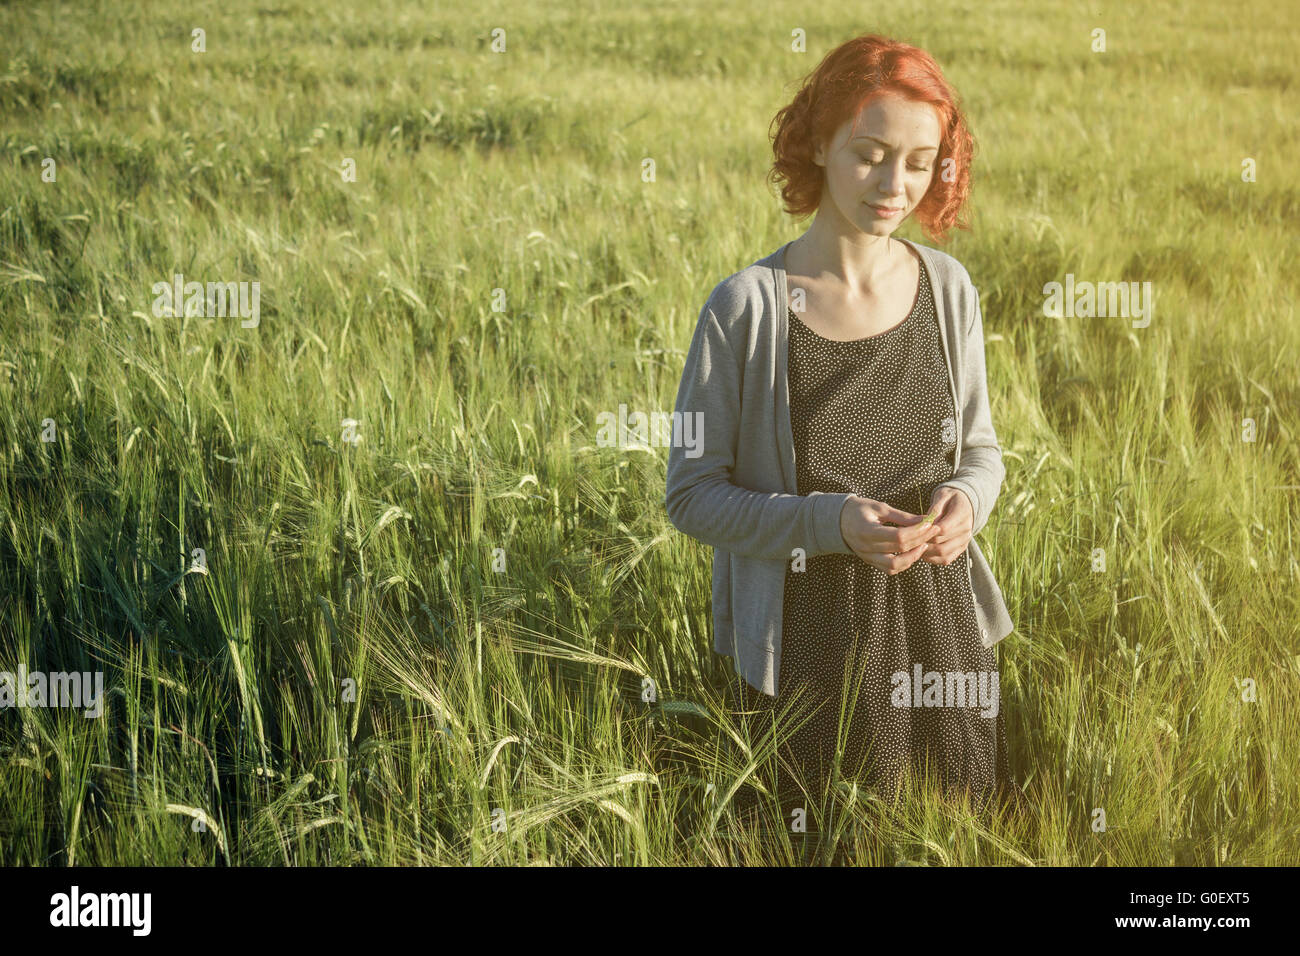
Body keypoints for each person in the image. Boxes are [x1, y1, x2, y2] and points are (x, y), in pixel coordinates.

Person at [664, 34, 1024, 831]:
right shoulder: (746, 308)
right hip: (810, 651)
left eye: (921, 161)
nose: (895, 185)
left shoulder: (948, 288)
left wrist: (967, 502)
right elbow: (691, 496)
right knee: (833, 836)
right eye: (870, 153)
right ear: (819, 142)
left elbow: (982, 452)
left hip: (945, 635)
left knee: (953, 830)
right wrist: (828, 524)